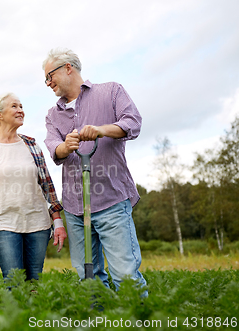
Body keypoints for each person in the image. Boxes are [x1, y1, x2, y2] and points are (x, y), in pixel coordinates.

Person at [42, 47, 147, 292]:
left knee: (125, 276)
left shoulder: (110, 91)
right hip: (75, 208)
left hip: (111, 200)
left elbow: (132, 122)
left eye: (50, 76)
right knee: (89, 278)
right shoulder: (52, 115)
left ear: (68, 68)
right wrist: (65, 146)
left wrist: (101, 129)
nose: (48, 83)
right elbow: (53, 147)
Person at [0, 92, 67, 281]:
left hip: (38, 223)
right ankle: (15, 311)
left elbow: (47, 186)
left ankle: (32, 312)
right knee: (13, 282)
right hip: (4, 224)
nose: (20, 110)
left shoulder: (31, 145)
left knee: (34, 282)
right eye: (14, 106)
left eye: (21, 106)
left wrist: (58, 222)